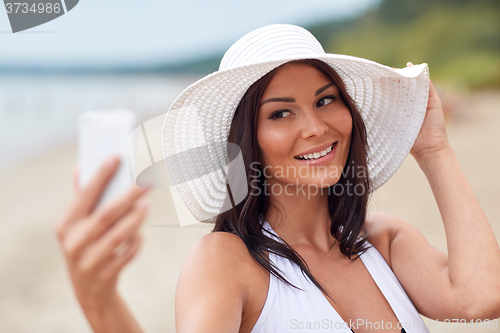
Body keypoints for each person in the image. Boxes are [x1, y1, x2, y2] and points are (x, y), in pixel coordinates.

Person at [55, 24, 500, 333]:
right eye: (281, 112)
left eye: (326, 101)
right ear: (248, 139)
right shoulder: (226, 261)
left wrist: (435, 150)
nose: (314, 127)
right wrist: (101, 303)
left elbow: (480, 299)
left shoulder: (381, 241)